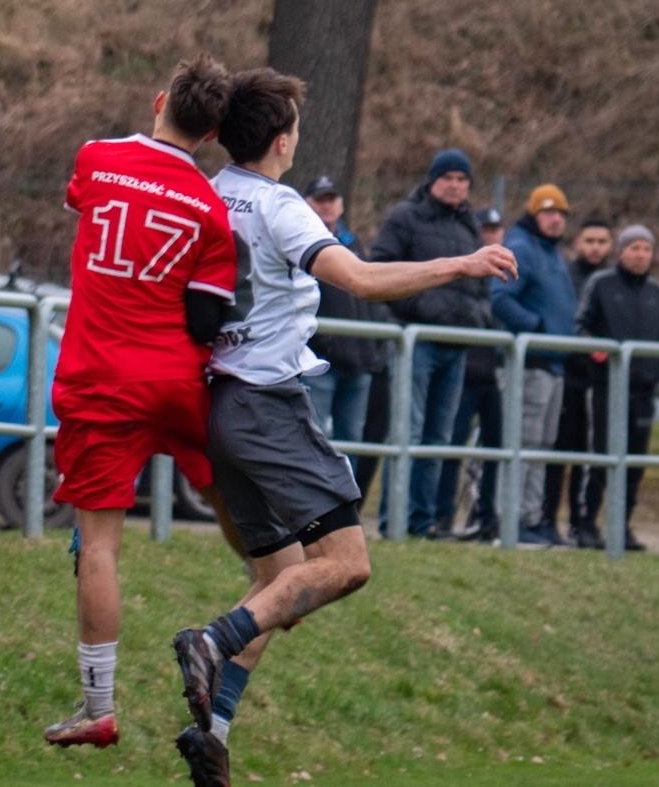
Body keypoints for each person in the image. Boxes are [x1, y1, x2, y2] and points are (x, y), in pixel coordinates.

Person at [169, 70, 516, 786]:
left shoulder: (208, 194)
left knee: (281, 582)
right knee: (348, 564)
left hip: (221, 407)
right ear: (281, 139)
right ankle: (209, 640)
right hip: (268, 405)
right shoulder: (278, 204)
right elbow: (357, 278)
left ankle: (215, 728)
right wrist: (462, 262)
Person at [42, 56, 239, 750]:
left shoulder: (98, 158)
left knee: (98, 543)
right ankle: (276, 588)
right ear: (214, 131)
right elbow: (206, 318)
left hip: (100, 379)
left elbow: (79, 203)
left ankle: (98, 706)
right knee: (231, 506)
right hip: (176, 381)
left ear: (159, 100)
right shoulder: (211, 207)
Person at [370, 148, 489, 539]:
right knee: (409, 431)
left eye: (462, 179)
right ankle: (395, 521)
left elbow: (480, 283)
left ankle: (424, 523)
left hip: (455, 344)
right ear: (432, 180)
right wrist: (423, 305)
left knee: (439, 437)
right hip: (415, 341)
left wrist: (477, 313)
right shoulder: (405, 217)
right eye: (448, 178)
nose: (455, 185)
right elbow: (381, 271)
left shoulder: (469, 223)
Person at [489, 183, 578, 547]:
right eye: (548, 212)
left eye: (560, 213)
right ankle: (510, 519)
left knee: (541, 445)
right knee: (522, 443)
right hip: (530, 363)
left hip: (553, 365)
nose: (556, 219)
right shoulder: (522, 247)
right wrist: (537, 329)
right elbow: (501, 299)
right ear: (533, 213)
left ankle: (531, 518)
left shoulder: (553, 253)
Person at [576, 225, 659, 552]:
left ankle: (622, 527)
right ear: (621, 251)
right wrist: (595, 348)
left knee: (634, 463)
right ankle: (586, 525)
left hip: (644, 393)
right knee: (602, 458)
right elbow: (580, 326)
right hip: (607, 387)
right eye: (634, 248)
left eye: (646, 249)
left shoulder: (657, 292)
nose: (640, 254)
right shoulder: (601, 284)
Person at [301, 174, 389, 484]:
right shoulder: (302, 242)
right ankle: (313, 502)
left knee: (351, 438)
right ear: (307, 204)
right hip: (322, 361)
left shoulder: (355, 245)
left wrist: (375, 348)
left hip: (359, 360)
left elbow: (371, 298)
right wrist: (325, 340)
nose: (327, 206)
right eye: (320, 199)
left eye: (332, 199)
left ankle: (342, 507)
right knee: (315, 435)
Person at [542, 215, 614, 547]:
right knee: (557, 454)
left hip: (599, 381)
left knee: (590, 455)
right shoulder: (564, 276)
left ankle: (581, 523)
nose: (595, 248)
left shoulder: (611, 281)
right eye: (590, 241)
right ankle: (546, 520)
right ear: (577, 244)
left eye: (602, 242)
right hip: (566, 375)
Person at [453, 208, 507, 542]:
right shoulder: (463, 266)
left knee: (496, 449)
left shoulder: (505, 271)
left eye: (495, 229)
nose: (490, 234)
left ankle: (487, 518)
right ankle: (443, 517)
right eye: (485, 228)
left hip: (491, 374)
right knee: (451, 446)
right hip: (464, 371)